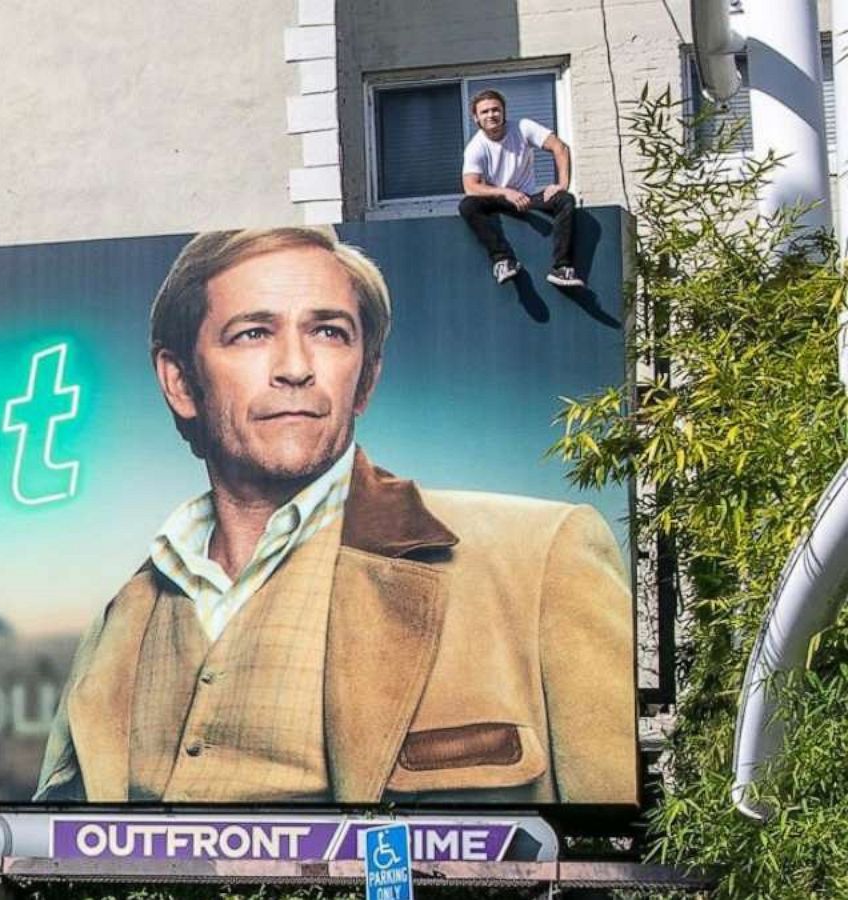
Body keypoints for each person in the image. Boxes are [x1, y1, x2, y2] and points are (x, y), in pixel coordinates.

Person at [34, 227, 636, 805]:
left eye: (328, 331)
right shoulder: (122, 617)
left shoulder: (540, 561)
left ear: (366, 376)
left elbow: (605, 852)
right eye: (252, 333)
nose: (295, 366)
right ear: (180, 381)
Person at [457, 89, 583, 288]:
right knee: (468, 205)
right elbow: (470, 186)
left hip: (528, 197)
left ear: (504, 112)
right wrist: (505, 192)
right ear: (476, 118)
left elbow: (560, 148)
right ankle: (502, 259)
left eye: (495, 110)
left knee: (565, 199)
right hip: (499, 199)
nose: (491, 115)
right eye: (485, 112)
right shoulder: (476, 147)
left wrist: (561, 185)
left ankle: (562, 268)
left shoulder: (523, 127)